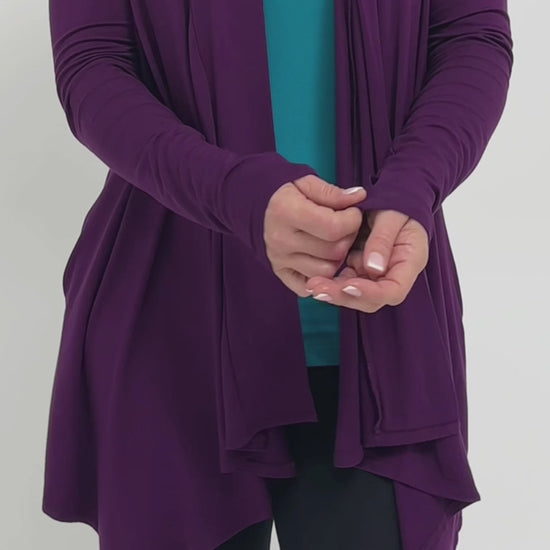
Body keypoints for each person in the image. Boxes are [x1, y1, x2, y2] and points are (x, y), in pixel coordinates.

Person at [42, 1, 513, 549]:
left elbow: (471, 39)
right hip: (173, 333)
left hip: (375, 338)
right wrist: (233, 193)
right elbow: (92, 66)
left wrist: (414, 185)